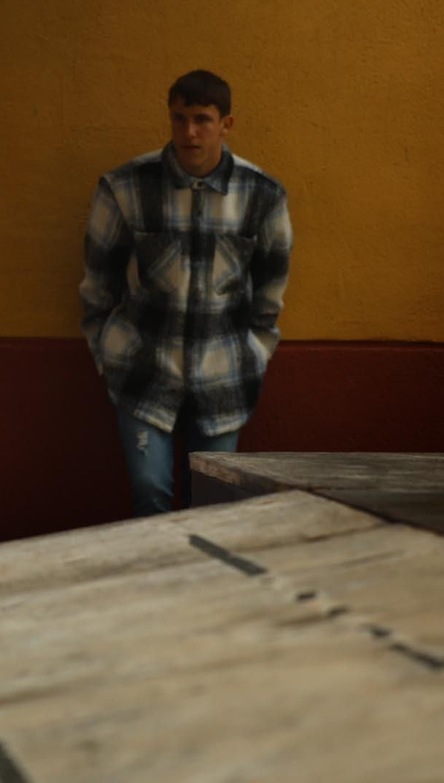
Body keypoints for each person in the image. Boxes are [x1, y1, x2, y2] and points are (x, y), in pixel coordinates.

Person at [79, 70, 293, 517]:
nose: (189, 132)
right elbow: (98, 283)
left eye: (201, 119)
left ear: (226, 124)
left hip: (223, 376)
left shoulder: (262, 195)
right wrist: (106, 351)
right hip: (143, 372)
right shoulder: (126, 187)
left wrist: (256, 351)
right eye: (179, 118)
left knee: (212, 504)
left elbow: (271, 288)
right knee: (150, 495)